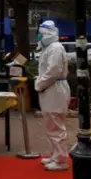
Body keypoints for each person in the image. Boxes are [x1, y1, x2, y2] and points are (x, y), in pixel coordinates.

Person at [35, 20, 70, 171]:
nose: (38, 37)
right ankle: (56, 155)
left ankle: (61, 160)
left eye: (40, 34)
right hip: (51, 88)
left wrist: (39, 84)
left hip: (54, 88)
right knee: (51, 123)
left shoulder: (55, 48)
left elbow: (53, 71)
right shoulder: (50, 48)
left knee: (56, 124)